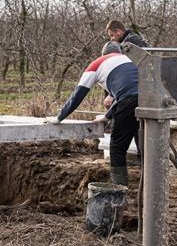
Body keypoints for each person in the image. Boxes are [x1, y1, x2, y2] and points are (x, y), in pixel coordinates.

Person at [47, 41, 141, 186]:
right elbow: (129, 90)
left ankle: (119, 189)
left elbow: (78, 94)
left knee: (117, 148)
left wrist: (59, 117)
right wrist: (106, 117)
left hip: (129, 101)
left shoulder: (96, 65)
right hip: (151, 99)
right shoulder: (130, 59)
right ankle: (151, 183)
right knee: (146, 142)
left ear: (103, 54)